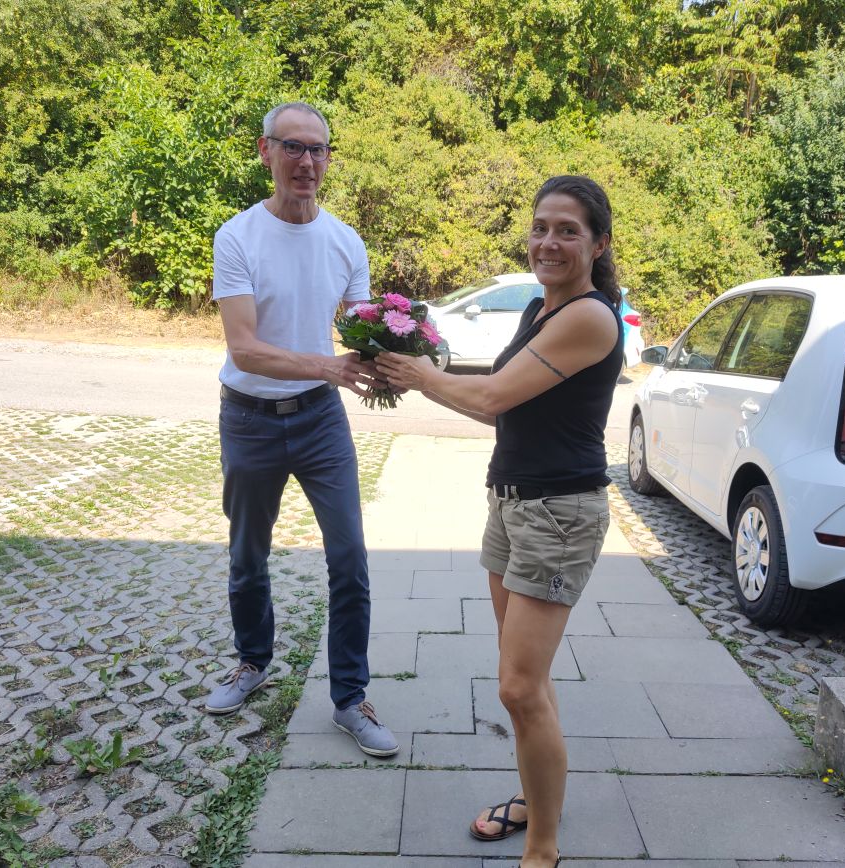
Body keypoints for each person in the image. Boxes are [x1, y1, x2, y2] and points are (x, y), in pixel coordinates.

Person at [376, 175, 624, 868]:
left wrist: (417, 372)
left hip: (559, 515)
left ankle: (542, 849)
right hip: (513, 504)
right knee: (528, 684)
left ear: (599, 244)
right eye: (540, 227)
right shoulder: (541, 309)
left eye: (568, 230)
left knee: (517, 687)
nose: (549, 241)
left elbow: (488, 396)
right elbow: (498, 407)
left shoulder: (590, 317)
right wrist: (413, 377)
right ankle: (536, 801)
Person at [207, 101, 399, 758]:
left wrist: (399, 356)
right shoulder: (237, 237)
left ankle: (350, 698)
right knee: (247, 555)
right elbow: (244, 350)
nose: (306, 162)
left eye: (317, 149)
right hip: (250, 420)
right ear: (266, 151)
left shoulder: (346, 242)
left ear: (328, 158)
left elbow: (364, 330)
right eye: (292, 147)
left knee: (349, 558)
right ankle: (252, 663)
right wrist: (328, 365)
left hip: (320, 420)